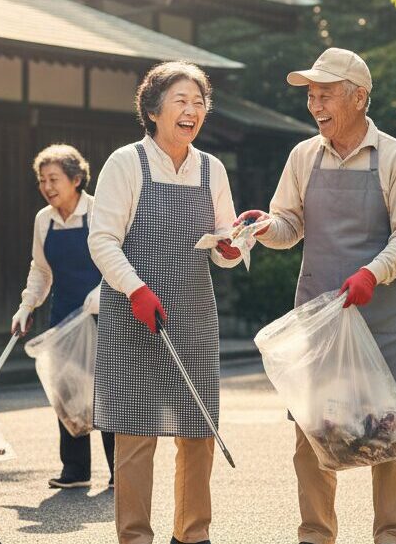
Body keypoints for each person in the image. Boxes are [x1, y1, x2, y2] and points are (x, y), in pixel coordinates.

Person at [237, 48, 396, 544]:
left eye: (325, 94)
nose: (315, 104)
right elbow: (290, 224)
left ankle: (392, 536)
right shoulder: (303, 156)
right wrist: (262, 228)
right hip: (319, 317)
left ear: (359, 97)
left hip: (381, 318)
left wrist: (371, 273)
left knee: (389, 437)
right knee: (312, 434)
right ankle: (315, 537)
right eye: (310, 96)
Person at [88, 61, 242, 544]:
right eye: (181, 101)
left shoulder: (211, 168)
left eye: (199, 103)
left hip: (194, 314)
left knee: (198, 432)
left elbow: (226, 246)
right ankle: (135, 537)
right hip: (135, 311)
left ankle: (192, 534)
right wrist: (135, 288)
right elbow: (103, 239)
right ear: (153, 110)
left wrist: (233, 247)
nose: (192, 111)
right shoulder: (126, 162)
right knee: (136, 436)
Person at [11, 144, 115, 489]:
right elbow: (40, 271)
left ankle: (121, 472)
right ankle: (75, 470)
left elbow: (122, 258)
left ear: (76, 179)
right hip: (63, 315)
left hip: (105, 314)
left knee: (108, 392)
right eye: (42, 180)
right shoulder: (44, 220)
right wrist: (27, 306)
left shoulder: (101, 210)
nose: (47, 187)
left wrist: (105, 291)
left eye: (54, 179)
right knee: (67, 392)